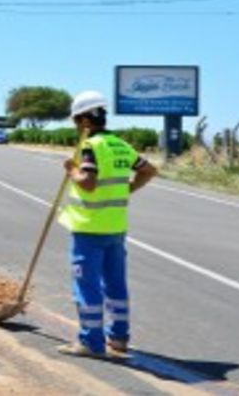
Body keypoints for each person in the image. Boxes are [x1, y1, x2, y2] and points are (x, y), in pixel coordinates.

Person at [57, 90, 157, 358]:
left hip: (89, 228)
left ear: (85, 120)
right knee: (116, 284)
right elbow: (149, 170)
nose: (76, 126)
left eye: (77, 120)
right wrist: (126, 190)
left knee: (86, 286)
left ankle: (91, 341)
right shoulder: (120, 145)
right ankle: (119, 339)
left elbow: (88, 183)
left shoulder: (92, 146)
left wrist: (72, 171)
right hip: (115, 228)